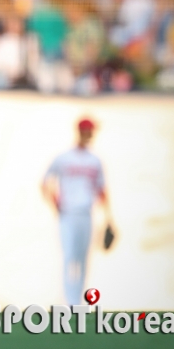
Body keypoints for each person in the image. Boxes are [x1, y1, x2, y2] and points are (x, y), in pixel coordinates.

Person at [42, 118, 113, 306]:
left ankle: (78, 302)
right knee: (69, 256)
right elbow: (45, 182)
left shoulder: (95, 160)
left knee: (82, 258)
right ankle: (68, 301)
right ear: (81, 131)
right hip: (67, 214)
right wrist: (55, 202)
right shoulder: (64, 157)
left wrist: (108, 218)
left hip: (86, 213)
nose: (90, 135)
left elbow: (101, 190)